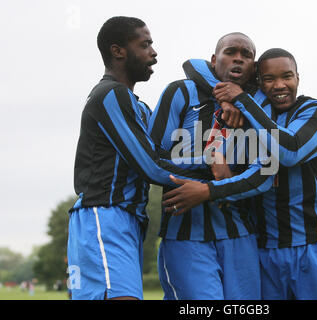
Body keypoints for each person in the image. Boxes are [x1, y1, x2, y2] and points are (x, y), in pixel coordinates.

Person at [182, 48, 317, 299]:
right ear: (258, 81)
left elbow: (290, 151)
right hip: (264, 253)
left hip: (315, 248)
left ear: (298, 77)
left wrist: (241, 99)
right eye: (269, 79)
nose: (280, 85)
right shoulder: (251, 115)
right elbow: (193, 65)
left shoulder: (313, 110)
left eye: (287, 76)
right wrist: (225, 98)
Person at [67, 16, 217, 300]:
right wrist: (215, 175)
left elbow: (160, 155)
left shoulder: (138, 106)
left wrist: (213, 162)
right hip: (104, 216)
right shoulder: (109, 95)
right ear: (118, 51)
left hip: (127, 220)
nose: (154, 52)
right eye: (145, 44)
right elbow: (152, 167)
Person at [150, 32, 274, 299]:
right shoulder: (180, 92)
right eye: (231, 52)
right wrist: (208, 165)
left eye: (247, 54)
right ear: (214, 60)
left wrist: (220, 181)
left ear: (254, 66)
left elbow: (265, 172)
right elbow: (150, 159)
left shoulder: (260, 107)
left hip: (241, 234)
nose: (238, 59)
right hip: (185, 233)